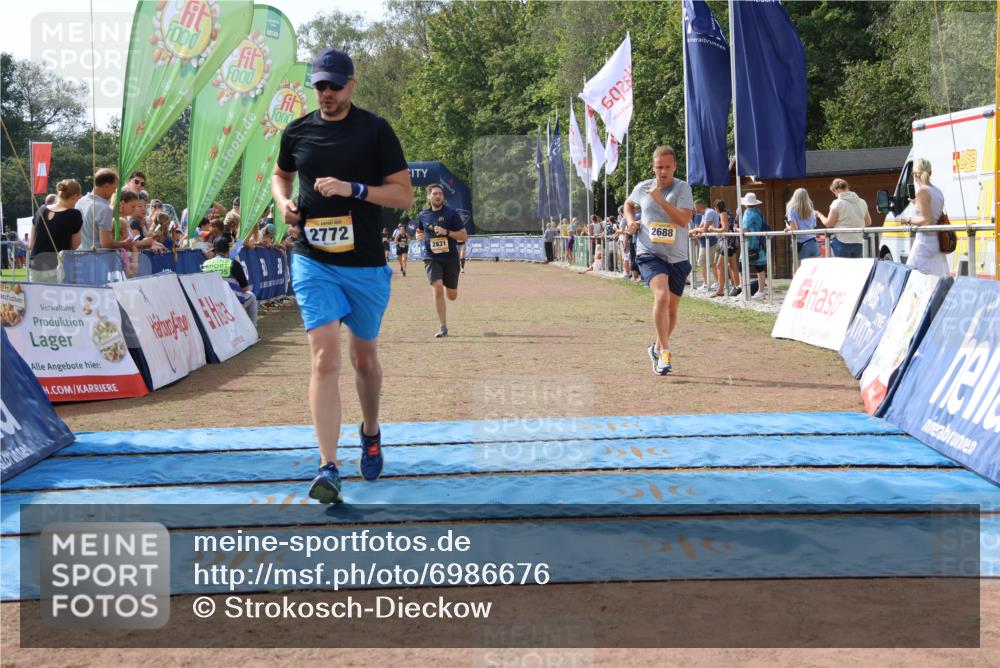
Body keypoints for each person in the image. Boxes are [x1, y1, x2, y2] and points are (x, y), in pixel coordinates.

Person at [271, 46, 413, 504]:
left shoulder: (375, 130)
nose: (326, 93)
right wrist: (283, 202)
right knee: (324, 359)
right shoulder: (297, 132)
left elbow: (404, 197)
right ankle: (328, 466)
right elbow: (280, 175)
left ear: (351, 84)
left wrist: (354, 189)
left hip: (366, 264)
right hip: (312, 257)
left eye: (334, 85)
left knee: (363, 360)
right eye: (319, 86)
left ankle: (370, 432)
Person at [624, 146, 694, 375]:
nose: (663, 171)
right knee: (661, 297)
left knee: (672, 312)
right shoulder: (642, 187)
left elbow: (683, 220)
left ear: (674, 166)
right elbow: (628, 204)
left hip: (677, 256)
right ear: (653, 167)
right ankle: (665, 353)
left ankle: (655, 347)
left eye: (667, 167)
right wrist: (630, 221)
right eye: (658, 167)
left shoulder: (683, 188)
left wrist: (661, 200)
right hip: (649, 252)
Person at [416, 182, 467, 337]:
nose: (438, 196)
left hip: (450, 258)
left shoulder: (451, 213)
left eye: (440, 194)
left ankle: (447, 285)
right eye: (434, 193)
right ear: (429, 196)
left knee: (451, 296)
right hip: (431, 257)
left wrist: (447, 232)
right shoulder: (423, 215)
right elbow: (419, 231)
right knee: (437, 287)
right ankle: (443, 326)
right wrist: (418, 236)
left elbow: (463, 235)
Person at [899, 158, 949, 277]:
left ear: (916, 174)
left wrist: (908, 220)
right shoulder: (937, 191)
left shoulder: (922, 192)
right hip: (937, 241)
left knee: (912, 277)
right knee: (936, 281)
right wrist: (917, 203)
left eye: (913, 173)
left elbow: (927, 220)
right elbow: (933, 213)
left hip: (924, 242)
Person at [29, 179, 83, 282]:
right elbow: (75, 245)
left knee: (36, 297)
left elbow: (31, 244)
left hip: (36, 265)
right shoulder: (74, 214)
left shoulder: (41, 210)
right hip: (57, 267)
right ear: (74, 197)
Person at [201, 236, 257, 326]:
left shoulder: (205, 264)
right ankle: (252, 328)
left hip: (212, 303)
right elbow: (245, 288)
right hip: (232, 302)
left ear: (214, 250)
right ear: (228, 250)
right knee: (252, 296)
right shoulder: (234, 264)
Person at [817, 178, 871, 258]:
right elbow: (868, 222)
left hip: (841, 241)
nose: (835, 195)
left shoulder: (837, 203)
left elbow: (829, 223)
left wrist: (819, 215)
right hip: (858, 242)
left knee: (841, 269)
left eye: (834, 192)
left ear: (837, 190)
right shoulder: (862, 202)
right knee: (855, 269)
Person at [77, 168, 126, 251]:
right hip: (97, 259)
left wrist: (112, 213)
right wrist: (124, 244)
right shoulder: (104, 209)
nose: (114, 191)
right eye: (114, 187)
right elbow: (106, 244)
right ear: (106, 186)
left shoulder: (80, 202)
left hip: (80, 256)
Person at [740, 192, 768, 299]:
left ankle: (744, 291)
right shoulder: (759, 212)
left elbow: (745, 228)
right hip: (759, 244)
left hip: (749, 245)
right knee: (760, 269)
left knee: (742, 268)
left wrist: (737, 229)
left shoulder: (748, 213)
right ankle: (760, 291)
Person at [785, 187, 820, 265]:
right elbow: (813, 226)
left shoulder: (792, 210)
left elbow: (794, 229)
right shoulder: (811, 210)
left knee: (799, 272)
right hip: (813, 243)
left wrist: (788, 227)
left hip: (802, 245)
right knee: (813, 272)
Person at [691, 199, 721, 292]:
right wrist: (695, 231)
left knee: (701, 262)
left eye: (695, 208)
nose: (695, 210)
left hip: (710, 241)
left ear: (700, 206)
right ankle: (716, 282)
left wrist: (692, 231)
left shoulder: (709, 213)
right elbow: (701, 227)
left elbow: (704, 229)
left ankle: (707, 283)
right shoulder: (704, 214)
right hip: (707, 241)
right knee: (711, 263)